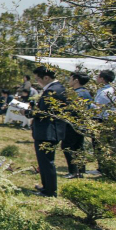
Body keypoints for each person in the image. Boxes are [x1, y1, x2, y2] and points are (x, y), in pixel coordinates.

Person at [29, 66, 67, 197]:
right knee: (44, 161)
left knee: (46, 161)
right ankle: (46, 186)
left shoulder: (52, 91)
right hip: (49, 130)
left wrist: (28, 112)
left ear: (46, 77)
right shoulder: (57, 88)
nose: (37, 81)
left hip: (48, 131)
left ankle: (50, 191)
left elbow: (44, 112)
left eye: (38, 79)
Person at [62, 72, 92, 179]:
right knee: (78, 146)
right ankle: (81, 169)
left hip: (73, 124)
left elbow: (73, 110)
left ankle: (73, 171)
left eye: (70, 78)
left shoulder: (78, 93)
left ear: (76, 80)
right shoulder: (86, 92)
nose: (69, 81)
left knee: (67, 146)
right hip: (82, 124)